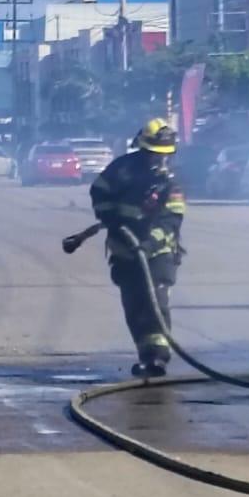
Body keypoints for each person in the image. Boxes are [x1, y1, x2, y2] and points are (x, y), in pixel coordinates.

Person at [90, 118, 186, 377]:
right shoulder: (122, 169)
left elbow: (172, 217)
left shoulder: (172, 179)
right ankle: (146, 356)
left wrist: (149, 242)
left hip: (158, 252)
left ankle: (160, 358)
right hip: (124, 251)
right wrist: (110, 218)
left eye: (164, 155)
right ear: (143, 149)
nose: (160, 160)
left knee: (156, 300)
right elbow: (99, 191)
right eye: (155, 154)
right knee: (134, 304)